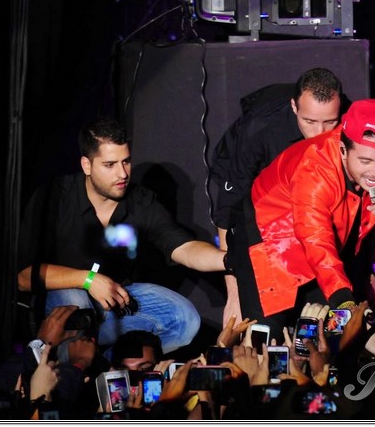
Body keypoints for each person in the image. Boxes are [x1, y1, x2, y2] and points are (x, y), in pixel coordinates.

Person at [17, 117, 228, 354]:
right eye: (110, 165)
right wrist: (88, 279)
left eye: (126, 161)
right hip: (64, 312)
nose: (122, 173)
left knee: (185, 318)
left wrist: (228, 259)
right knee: (76, 299)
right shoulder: (55, 197)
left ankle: (112, 365)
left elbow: (184, 248)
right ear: (87, 165)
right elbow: (23, 278)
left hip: (114, 303)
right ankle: (72, 369)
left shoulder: (141, 202)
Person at [226, 99, 375, 339]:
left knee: (327, 334)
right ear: (343, 150)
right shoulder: (315, 167)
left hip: (326, 244)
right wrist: (344, 304)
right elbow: (315, 238)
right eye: (365, 161)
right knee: (270, 337)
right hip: (270, 235)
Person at [210, 67, 349, 325]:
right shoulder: (260, 130)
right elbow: (228, 212)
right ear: (294, 107)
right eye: (310, 122)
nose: (320, 133)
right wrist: (235, 292)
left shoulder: (349, 120)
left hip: (308, 198)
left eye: (330, 122)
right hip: (249, 188)